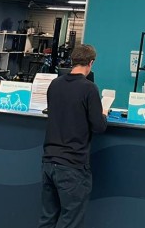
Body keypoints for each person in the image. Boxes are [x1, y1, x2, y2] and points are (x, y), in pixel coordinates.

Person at [38, 44, 107, 228]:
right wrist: (104, 113)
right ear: (91, 63)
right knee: (70, 221)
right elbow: (98, 126)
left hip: (49, 162)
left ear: (72, 61)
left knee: (47, 219)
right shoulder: (89, 88)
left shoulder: (55, 84)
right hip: (73, 165)